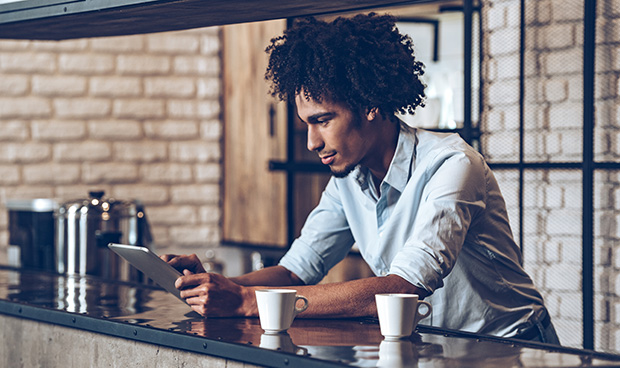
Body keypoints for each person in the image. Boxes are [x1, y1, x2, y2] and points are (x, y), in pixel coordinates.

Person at [162, 13, 560, 344]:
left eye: (322, 120)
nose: (311, 142)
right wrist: (218, 287)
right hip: (440, 345)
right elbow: (295, 271)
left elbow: (400, 289)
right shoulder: (348, 180)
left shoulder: (451, 165)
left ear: (370, 105)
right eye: (306, 124)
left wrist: (248, 300)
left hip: (513, 345)